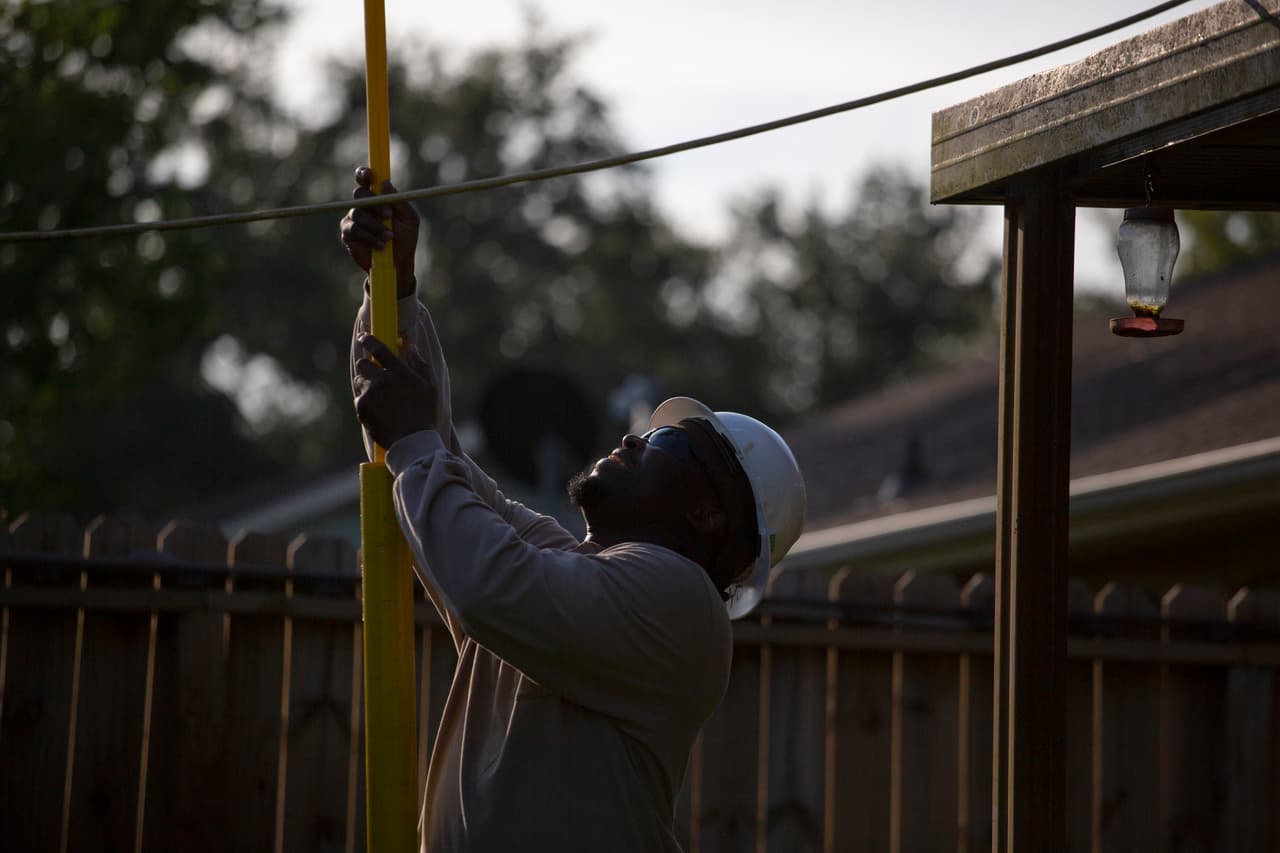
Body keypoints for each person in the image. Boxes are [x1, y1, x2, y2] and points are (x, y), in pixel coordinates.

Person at [340, 166, 805, 853]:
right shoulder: (561, 569)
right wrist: (394, 290)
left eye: (665, 440)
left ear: (708, 515)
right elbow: (427, 453)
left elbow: (477, 562)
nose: (631, 436)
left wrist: (410, 436)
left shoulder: (683, 605)